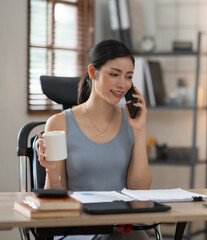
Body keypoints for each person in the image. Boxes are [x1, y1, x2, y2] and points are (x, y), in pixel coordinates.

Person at [37, 39, 152, 240]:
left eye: (129, 77)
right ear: (92, 72)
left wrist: (140, 132)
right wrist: (51, 170)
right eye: (114, 74)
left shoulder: (132, 121)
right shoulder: (58, 124)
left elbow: (139, 200)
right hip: (78, 230)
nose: (122, 84)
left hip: (122, 229)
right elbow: (56, 203)